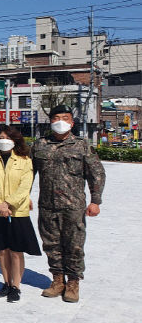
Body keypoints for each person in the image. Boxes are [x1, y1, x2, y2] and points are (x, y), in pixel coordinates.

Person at [31, 104, 105, 303]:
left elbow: (96, 173)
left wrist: (95, 201)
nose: (60, 122)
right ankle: (57, 280)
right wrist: (24, 196)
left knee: (74, 246)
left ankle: (73, 282)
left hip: (73, 206)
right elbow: (28, 173)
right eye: (56, 118)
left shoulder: (81, 145)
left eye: (65, 118)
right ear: (50, 121)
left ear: (72, 123)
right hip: (47, 205)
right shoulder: (40, 145)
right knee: (51, 244)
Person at [0, 125, 41, 302]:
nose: (3, 141)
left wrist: (9, 203)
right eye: (0, 137)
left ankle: (16, 286)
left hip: (17, 212)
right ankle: (6, 283)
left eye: (7, 138)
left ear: (15, 140)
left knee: (16, 251)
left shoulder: (24, 161)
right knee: (2, 250)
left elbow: (25, 187)